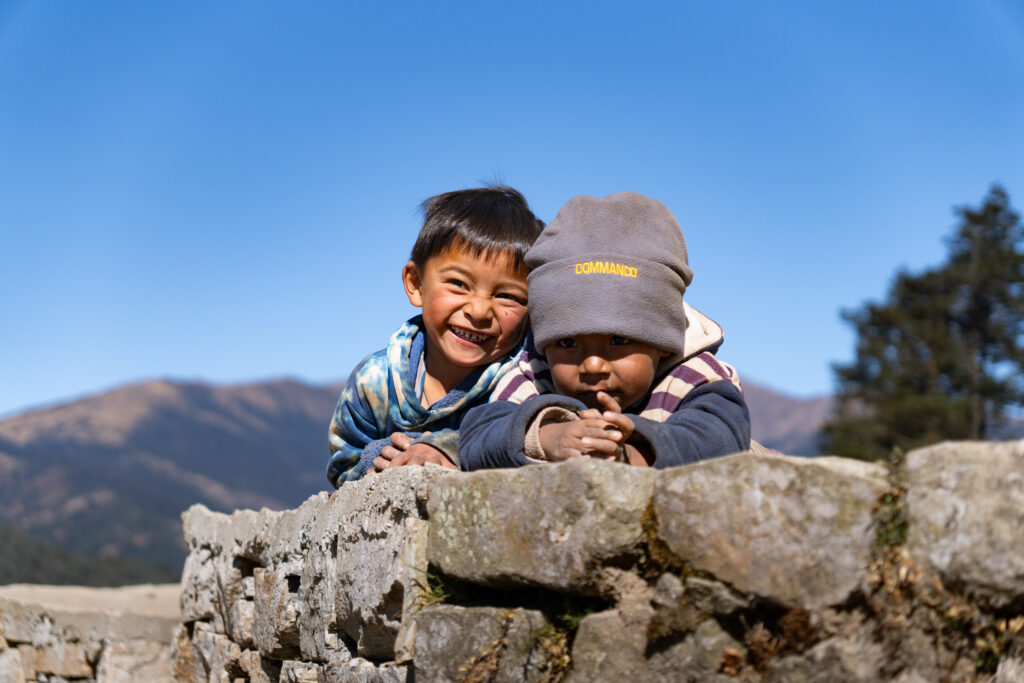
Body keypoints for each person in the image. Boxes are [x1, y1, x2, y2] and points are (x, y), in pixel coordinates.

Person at [458, 192, 751, 469]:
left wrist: (633, 451)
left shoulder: (694, 377)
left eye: (618, 340)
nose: (593, 365)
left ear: (663, 342)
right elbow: (477, 435)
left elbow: (721, 439)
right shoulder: (534, 373)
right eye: (568, 342)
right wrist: (550, 437)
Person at [327, 186, 544, 487]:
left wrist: (447, 448)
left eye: (508, 296)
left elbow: (530, 446)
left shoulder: (526, 381)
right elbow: (342, 465)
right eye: (458, 284)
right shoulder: (374, 382)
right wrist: (379, 458)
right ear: (416, 284)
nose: (480, 311)